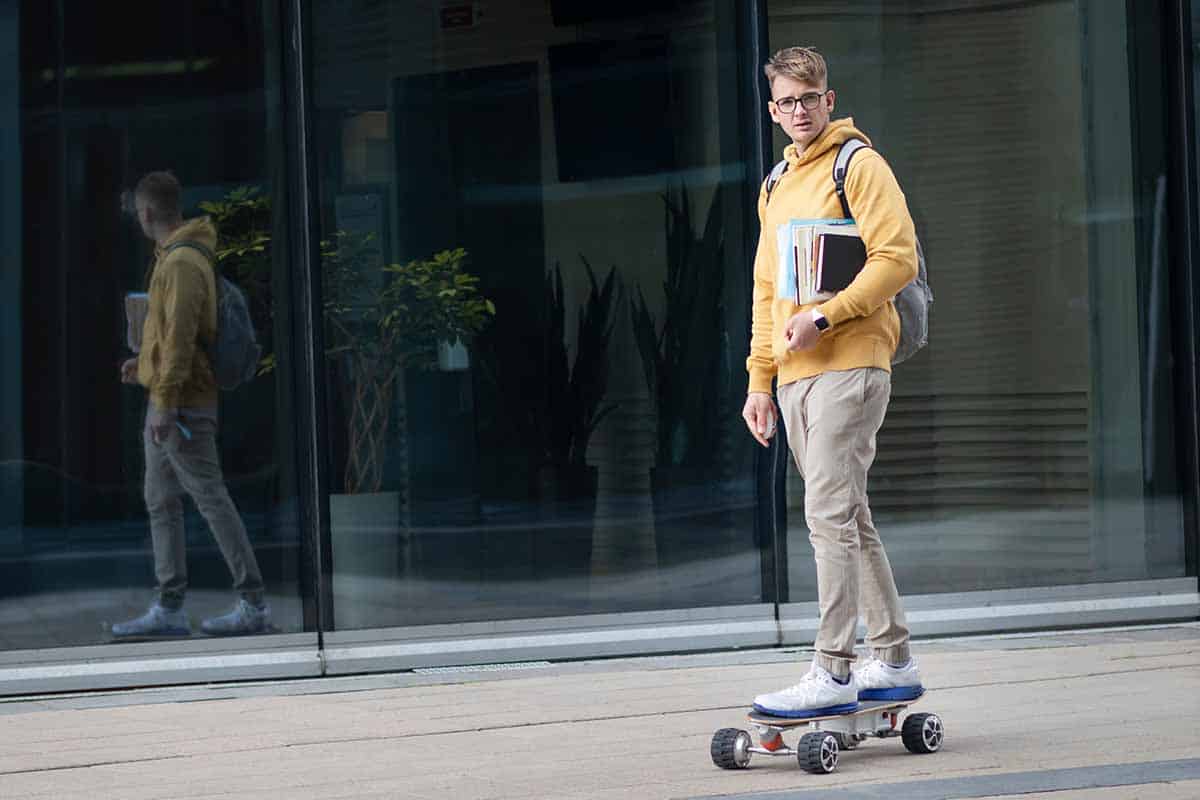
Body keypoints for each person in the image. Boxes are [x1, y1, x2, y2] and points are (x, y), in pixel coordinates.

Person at [742, 47, 923, 716]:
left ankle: (834, 668)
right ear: (772, 109)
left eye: (808, 98)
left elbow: (896, 259)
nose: (798, 111)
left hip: (852, 364)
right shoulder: (774, 185)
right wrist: (760, 381)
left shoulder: (859, 165)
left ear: (828, 97)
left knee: (826, 518)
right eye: (786, 101)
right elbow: (765, 291)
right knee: (849, 516)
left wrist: (827, 313)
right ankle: (894, 658)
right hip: (794, 377)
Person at [112, 171, 271, 638]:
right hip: (168, 399)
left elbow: (181, 342)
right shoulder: (174, 256)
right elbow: (169, 340)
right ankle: (170, 607)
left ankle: (254, 602)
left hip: (182, 406)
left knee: (210, 498)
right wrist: (142, 365)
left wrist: (163, 402)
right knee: (161, 501)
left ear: (146, 213)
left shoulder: (181, 262)